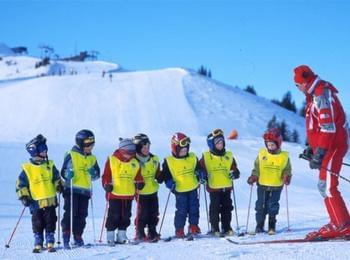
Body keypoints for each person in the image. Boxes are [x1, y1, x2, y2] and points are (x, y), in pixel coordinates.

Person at [294, 65, 350, 239]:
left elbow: (328, 128)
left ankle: (341, 225)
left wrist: (321, 152)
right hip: (328, 146)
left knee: (328, 186)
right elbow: (318, 127)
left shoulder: (320, 94)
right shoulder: (314, 95)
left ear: (305, 81)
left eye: (298, 84)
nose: (297, 88)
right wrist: (314, 148)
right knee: (323, 186)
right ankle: (340, 222)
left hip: (334, 146)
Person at [16, 134, 63, 253]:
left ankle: (50, 238)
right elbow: (21, 184)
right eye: (42, 148)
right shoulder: (28, 169)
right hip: (35, 201)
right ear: (34, 151)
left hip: (50, 200)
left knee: (51, 220)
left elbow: (56, 178)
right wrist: (24, 196)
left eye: (46, 148)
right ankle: (38, 238)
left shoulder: (50, 165)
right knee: (37, 221)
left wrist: (59, 185)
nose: (45, 151)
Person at [247, 128, 292, 235]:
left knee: (272, 205)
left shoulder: (284, 157)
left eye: (272, 145)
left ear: (278, 144)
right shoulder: (262, 154)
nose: (270, 147)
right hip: (262, 185)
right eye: (268, 145)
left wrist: (286, 176)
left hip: (276, 186)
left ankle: (272, 226)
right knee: (260, 205)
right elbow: (257, 168)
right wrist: (254, 176)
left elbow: (287, 169)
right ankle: (259, 225)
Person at [60, 129, 100, 248]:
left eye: (92, 145)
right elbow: (63, 171)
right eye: (88, 145)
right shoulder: (71, 154)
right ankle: (66, 234)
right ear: (81, 143)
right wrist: (68, 174)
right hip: (71, 189)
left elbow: (97, 175)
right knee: (71, 212)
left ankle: (78, 235)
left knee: (82, 214)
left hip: (85, 191)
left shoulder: (92, 158)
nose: (90, 148)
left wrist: (93, 173)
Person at [102, 138, 145, 246]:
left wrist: (140, 182)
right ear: (122, 151)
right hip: (115, 194)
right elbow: (106, 175)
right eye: (127, 153)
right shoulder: (112, 160)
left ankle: (122, 236)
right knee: (114, 215)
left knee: (126, 216)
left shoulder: (135, 162)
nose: (130, 156)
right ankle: (110, 236)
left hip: (128, 194)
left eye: (132, 153)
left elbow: (138, 176)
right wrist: (106, 185)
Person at [199, 129, 240, 237]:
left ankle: (227, 227)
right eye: (217, 143)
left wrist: (235, 173)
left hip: (226, 187)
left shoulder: (229, 155)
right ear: (211, 145)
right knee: (215, 208)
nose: (220, 144)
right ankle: (214, 228)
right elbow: (200, 169)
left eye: (221, 142)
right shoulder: (207, 156)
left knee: (227, 208)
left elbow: (235, 168)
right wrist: (202, 176)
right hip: (214, 188)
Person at [161, 132, 202, 238]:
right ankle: (179, 229)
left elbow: (198, 169)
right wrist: (170, 183)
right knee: (181, 210)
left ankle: (193, 226)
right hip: (180, 190)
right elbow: (166, 175)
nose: (184, 152)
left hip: (193, 188)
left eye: (186, 150)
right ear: (175, 148)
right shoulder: (169, 161)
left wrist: (200, 175)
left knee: (194, 208)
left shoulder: (192, 157)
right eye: (182, 150)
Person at [132, 133, 163, 241]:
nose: (146, 149)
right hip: (141, 192)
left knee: (154, 212)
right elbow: (131, 175)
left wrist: (160, 176)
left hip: (152, 190)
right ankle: (140, 231)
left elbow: (157, 172)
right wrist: (136, 183)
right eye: (143, 147)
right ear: (137, 147)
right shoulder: (134, 161)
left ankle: (152, 230)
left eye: (148, 146)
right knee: (143, 212)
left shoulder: (154, 159)